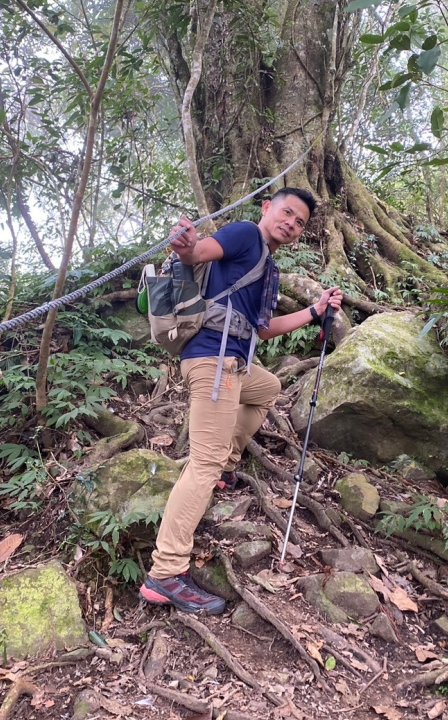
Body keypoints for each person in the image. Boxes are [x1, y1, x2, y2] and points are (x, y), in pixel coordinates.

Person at [140, 187, 344, 615]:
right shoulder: (246, 235)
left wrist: (315, 310)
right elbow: (197, 252)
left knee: (267, 388)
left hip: (234, 363)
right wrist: (185, 243)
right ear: (267, 207)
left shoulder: (266, 264)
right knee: (203, 462)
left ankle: (226, 468)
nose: (291, 224)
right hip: (214, 362)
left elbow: (263, 330)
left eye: (300, 222)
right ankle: (165, 572)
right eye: (287, 213)